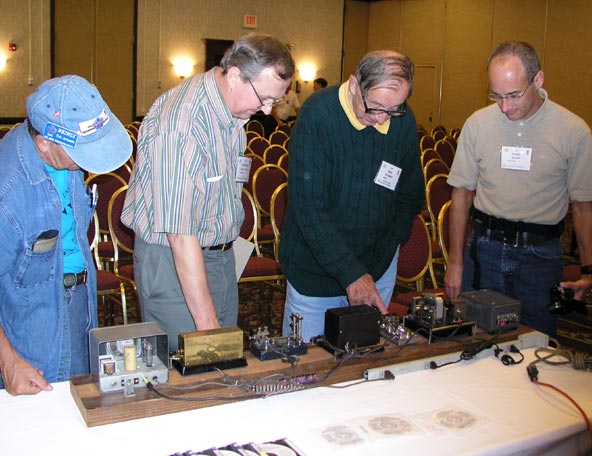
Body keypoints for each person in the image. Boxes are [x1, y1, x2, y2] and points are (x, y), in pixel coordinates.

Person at [121, 33, 294, 352]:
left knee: (220, 357)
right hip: (173, 258)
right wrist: (206, 322)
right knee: (190, 360)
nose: (267, 110)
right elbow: (179, 233)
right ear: (235, 75)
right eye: (264, 98)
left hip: (220, 255)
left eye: (275, 101)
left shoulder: (232, 110)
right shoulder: (183, 124)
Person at [445, 41, 592, 336]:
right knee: (474, 339)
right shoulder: (478, 124)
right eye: (497, 96)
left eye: (514, 95)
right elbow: (461, 195)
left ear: (538, 79)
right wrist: (455, 262)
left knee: (535, 340)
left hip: (539, 256)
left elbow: (584, 206)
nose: (505, 107)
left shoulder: (573, 131)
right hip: (485, 249)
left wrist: (589, 269)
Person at [0, 75, 132, 395]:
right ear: (45, 142)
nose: (89, 161)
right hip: (30, 324)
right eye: (82, 152)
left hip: (79, 301)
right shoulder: (8, 191)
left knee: (81, 402)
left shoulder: (63, 154)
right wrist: (8, 361)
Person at [279, 50, 424, 341]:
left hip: (377, 269)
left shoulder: (402, 120)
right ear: (355, 84)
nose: (382, 118)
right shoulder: (318, 115)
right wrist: (352, 273)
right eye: (375, 107)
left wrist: (389, 246)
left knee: (367, 358)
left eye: (394, 109)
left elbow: (410, 196)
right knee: (309, 362)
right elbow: (309, 209)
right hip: (315, 274)